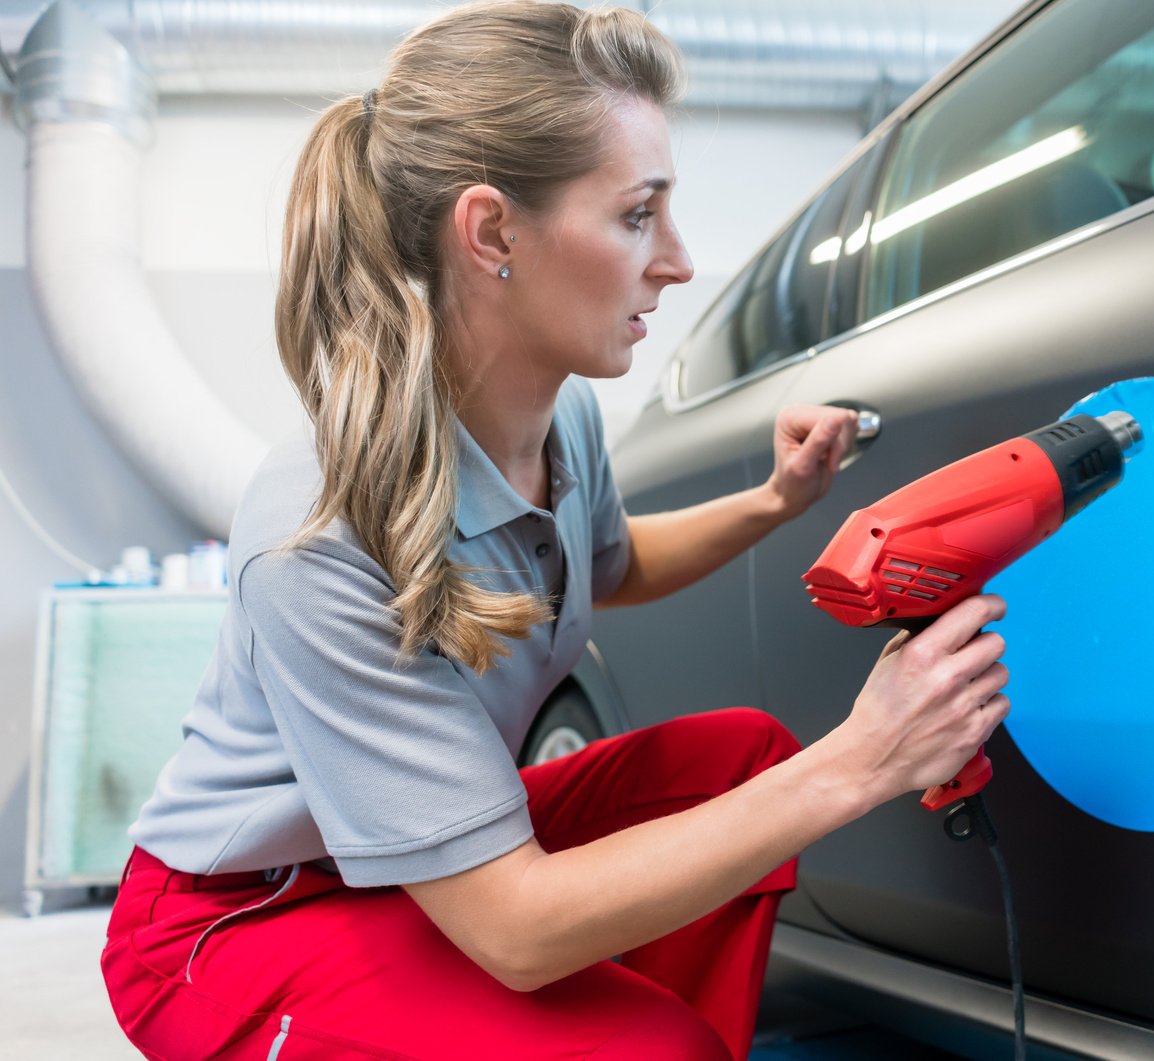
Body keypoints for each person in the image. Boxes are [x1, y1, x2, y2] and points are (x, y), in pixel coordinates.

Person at [100, 3, 1010, 1058]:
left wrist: (774, 500)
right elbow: (515, 927)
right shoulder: (321, 537)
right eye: (636, 216)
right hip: (241, 915)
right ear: (493, 233)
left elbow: (611, 562)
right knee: (652, 1041)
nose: (675, 260)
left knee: (741, 764)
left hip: (403, 860)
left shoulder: (560, 410)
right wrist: (865, 756)